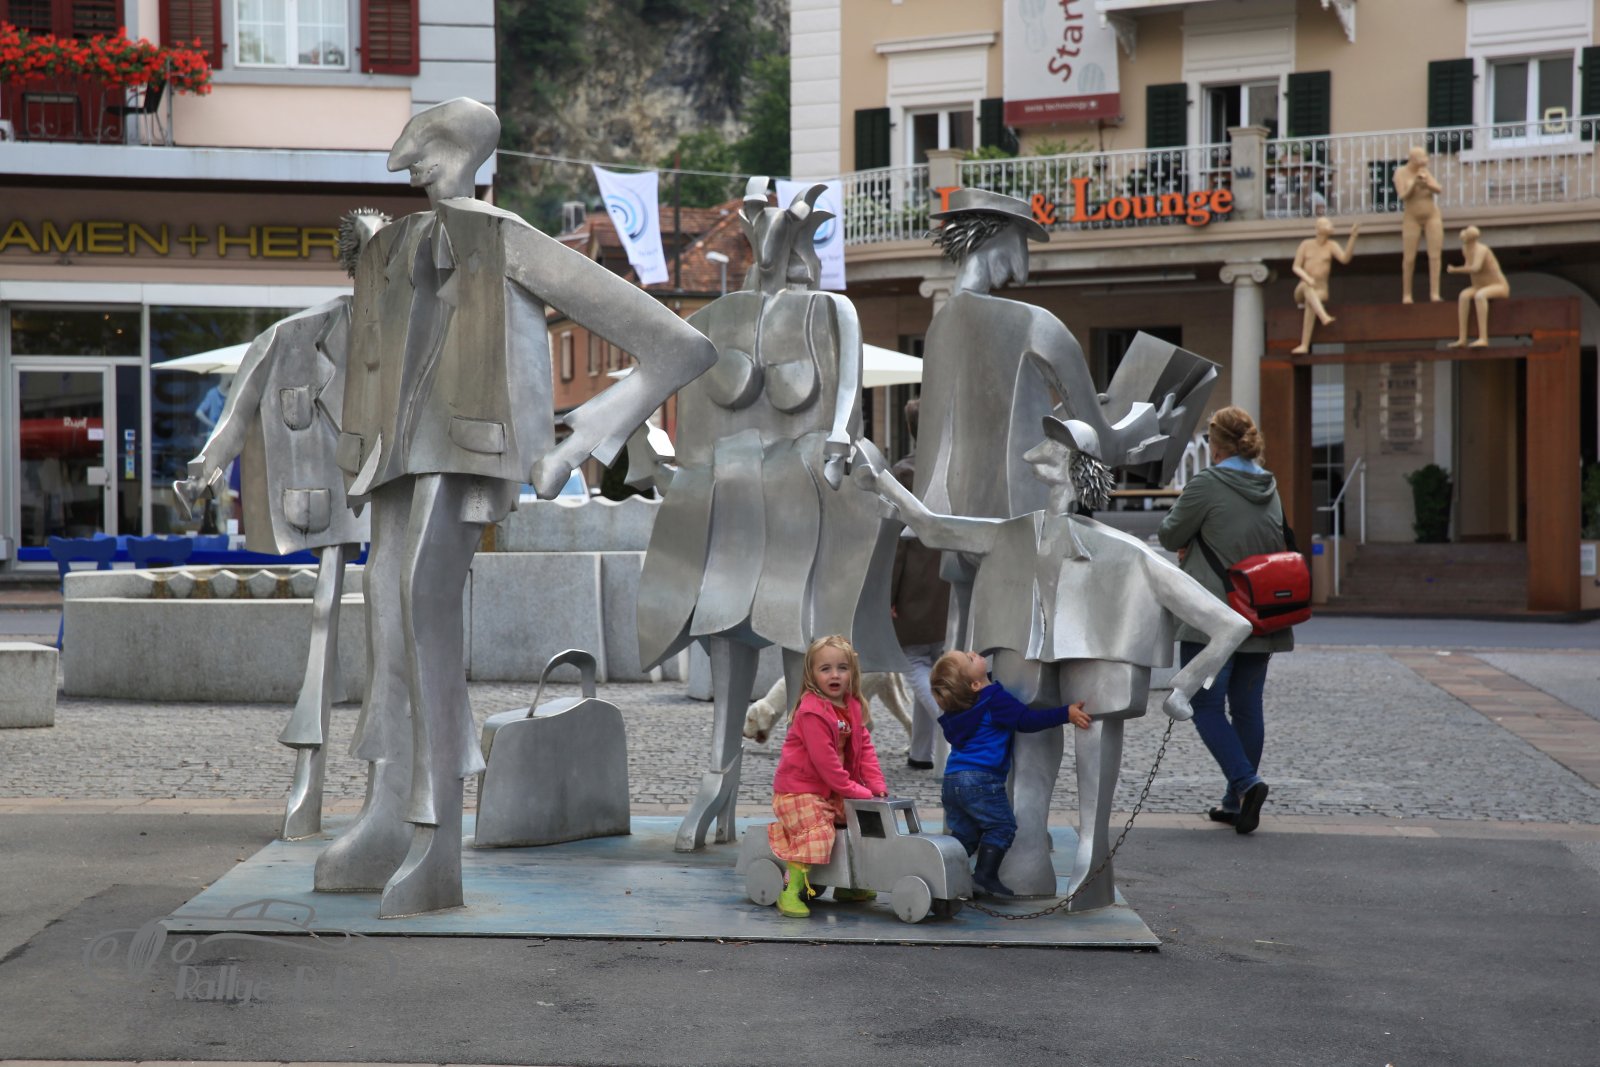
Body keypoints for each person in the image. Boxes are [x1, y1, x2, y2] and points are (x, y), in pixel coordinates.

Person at [865, 414, 1249, 905]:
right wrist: (881, 480)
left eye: (1051, 445)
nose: (1034, 453)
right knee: (1033, 763)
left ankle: (1070, 864)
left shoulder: (1115, 551)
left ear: (1069, 462)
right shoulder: (1021, 535)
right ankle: (1035, 865)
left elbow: (1231, 624)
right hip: (1031, 657)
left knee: (1069, 756)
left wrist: (1187, 684)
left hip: (1092, 661)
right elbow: (930, 527)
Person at [1157, 406, 1295, 835]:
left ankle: (1246, 783)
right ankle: (1236, 802)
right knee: (1248, 708)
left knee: (1202, 704)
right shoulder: (1268, 484)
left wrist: (1194, 540)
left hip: (1212, 616)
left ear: (1214, 445)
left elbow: (1169, 534)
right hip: (1261, 612)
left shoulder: (1207, 483)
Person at [928, 648, 1090, 897]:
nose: (973, 653)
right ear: (974, 684)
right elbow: (1026, 720)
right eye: (969, 659)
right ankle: (984, 876)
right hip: (981, 780)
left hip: (953, 780)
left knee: (966, 835)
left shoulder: (959, 708)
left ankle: (937, 870)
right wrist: (1065, 713)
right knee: (1002, 826)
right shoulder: (994, 700)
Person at [767, 634, 889, 918]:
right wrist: (855, 790)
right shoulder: (812, 711)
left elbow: (865, 748)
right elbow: (827, 764)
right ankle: (791, 890)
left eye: (842, 668)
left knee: (858, 823)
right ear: (812, 674)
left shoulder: (852, 706)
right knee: (818, 829)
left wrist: (875, 784)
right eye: (826, 669)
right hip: (799, 790)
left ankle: (847, 885)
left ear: (852, 672)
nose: (835, 675)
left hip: (833, 790)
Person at [890, 397, 950, 770]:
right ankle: (921, 752)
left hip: (912, 580)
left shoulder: (903, 471)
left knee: (911, 659)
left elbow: (895, 542)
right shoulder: (952, 469)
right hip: (946, 578)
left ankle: (948, 720)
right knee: (934, 658)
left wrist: (888, 593)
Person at [1291, 217, 1360, 354]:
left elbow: (1345, 259)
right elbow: (1296, 267)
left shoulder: (1332, 245)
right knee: (1306, 287)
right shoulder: (1306, 244)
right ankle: (1323, 316)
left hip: (1321, 291)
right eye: (1327, 224)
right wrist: (1307, 278)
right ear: (1318, 229)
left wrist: (1353, 237)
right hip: (1302, 289)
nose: (1331, 226)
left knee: (1311, 302)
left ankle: (1304, 345)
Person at [1394, 145, 1445, 304]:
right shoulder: (1400, 172)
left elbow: (1438, 189)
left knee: (1435, 255)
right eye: (1422, 158)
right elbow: (1402, 196)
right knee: (1409, 257)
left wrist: (1427, 184)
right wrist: (1414, 184)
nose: (1425, 160)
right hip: (1412, 217)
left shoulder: (1424, 171)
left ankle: (1434, 293)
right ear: (1413, 159)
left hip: (1431, 216)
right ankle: (1407, 294)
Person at [1446, 226, 1510, 349]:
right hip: (1478, 285)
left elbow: (1475, 268)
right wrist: (1460, 269)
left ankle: (1483, 338)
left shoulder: (1481, 249)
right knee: (1463, 295)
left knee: (1480, 296)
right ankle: (1462, 338)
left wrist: (1455, 270)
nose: (1463, 236)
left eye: (1466, 235)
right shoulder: (1465, 248)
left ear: (1471, 238)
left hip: (1498, 285)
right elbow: (1468, 266)